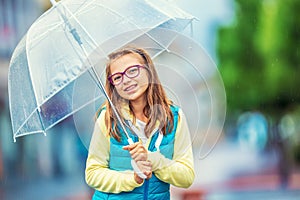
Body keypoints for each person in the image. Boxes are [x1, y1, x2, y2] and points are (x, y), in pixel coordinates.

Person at [85, 46, 195, 199]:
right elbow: (93, 173)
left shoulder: (173, 117)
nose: (126, 80)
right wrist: (133, 179)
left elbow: (187, 177)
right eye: (117, 77)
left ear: (148, 72)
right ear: (113, 85)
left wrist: (153, 160)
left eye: (132, 70)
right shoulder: (108, 118)